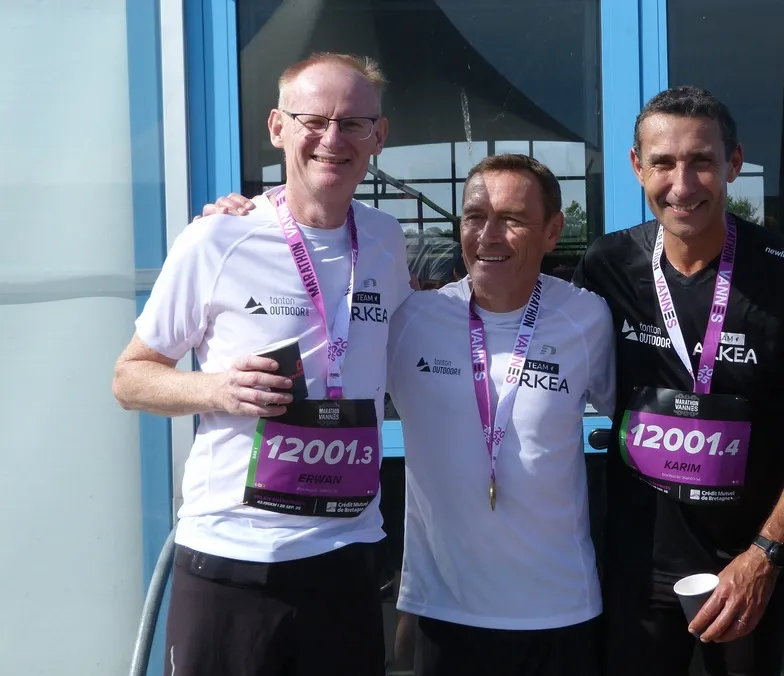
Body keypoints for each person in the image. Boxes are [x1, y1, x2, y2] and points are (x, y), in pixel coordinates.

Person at [203, 153, 617, 676]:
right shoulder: (412, 319)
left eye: (512, 219)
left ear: (553, 231)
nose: (488, 235)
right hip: (442, 610)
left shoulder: (586, 317)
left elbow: (634, 422)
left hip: (562, 607)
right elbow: (323, 316)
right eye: (474, 217)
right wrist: (251, 221)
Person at [112, 53, 407, 675]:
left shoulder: (387, 240)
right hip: (232, 561)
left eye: (354, 123)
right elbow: (130, 378)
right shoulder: (217, 238)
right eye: (313, 121)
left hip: (347, 558)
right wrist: (217, 389)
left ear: (378, 136)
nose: (332, 139)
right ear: (277, 127)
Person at [572, 85, 784, 676]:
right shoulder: (606, 266)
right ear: (637, 166)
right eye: (663, 162)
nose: (682, 184)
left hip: (746, 566)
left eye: (701, 161)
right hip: (636, 566)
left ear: (734, 163)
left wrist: (767, 553)